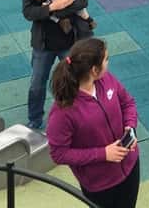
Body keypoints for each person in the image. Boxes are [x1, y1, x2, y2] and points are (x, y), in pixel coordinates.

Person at [47, 38, 140, 208]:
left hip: (130, 165)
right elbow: (59, 154)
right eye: (106, 59)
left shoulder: (107, 80)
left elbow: (128, 103)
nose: (108, 62)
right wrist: (103, 153)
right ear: (94, 70)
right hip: (100, 184)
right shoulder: (63, 111)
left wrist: (130, 126)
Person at [23, 0, 91, 131]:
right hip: (43, 43)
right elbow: (28, 12)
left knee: (75, 82)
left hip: (70, 41)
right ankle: (35, 118)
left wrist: (62, 7)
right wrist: (52, 7)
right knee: (37, 83)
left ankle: (77, 119)